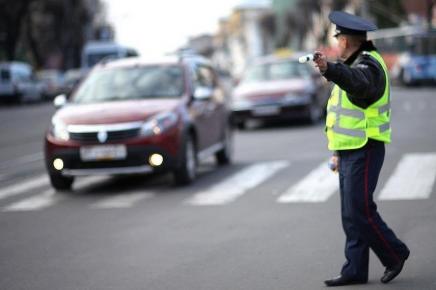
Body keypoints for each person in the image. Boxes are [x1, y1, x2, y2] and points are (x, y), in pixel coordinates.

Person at [313, 11, 410, 287]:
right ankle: (354, 269)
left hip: (366, 147)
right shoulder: (355, 63)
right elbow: (340, 113)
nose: (338, 43)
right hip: (349, 149)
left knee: (360, 210)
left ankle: (395, 254)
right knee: (351, 213)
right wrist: (336, 151)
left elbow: (360, 85)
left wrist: (331, 69)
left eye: (339, 38)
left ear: (346, 40)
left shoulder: (370, 66)